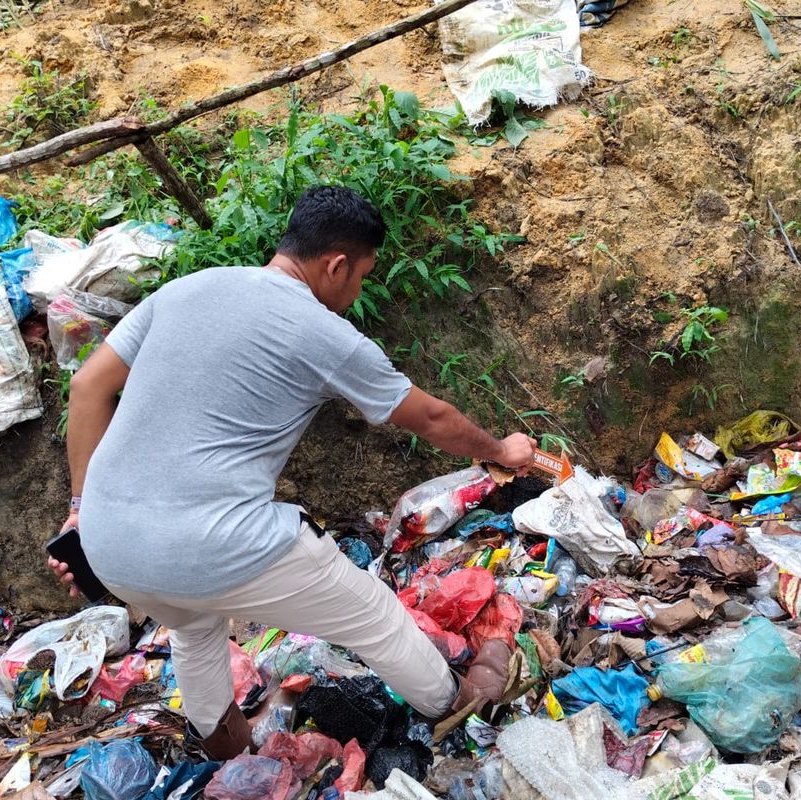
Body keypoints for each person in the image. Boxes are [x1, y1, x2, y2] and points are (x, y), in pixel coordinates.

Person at [48, 185, 537, 758]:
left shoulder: (188, 288)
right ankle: (456, 710)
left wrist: (81, 512)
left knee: (193, 625)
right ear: (336, 265)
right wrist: (501, 449)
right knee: (373, 615)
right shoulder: (322, 331)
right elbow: (429, 416)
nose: (356, 294)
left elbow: (86, 388)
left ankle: (222, 749)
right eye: (361, 277)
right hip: (213, 541)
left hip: (109, 543)